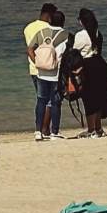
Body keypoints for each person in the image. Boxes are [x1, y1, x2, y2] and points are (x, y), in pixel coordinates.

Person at [65, 9, 107, 138]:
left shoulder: (81, 35)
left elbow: (75, 52)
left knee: (87, 97)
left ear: (82, 21)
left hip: (87, 66)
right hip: (100, 64)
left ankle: (91, 129)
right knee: (99, 96)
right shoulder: (97, 33)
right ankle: (98, 128)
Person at [27, 9, 69, 141]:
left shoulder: (41, 33)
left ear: (50, 20)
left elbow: (29, 49)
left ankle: (38, 131)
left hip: (41, 72)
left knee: (41, 101)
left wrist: (37, 62)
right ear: (63, 22)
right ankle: (54, 132)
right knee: (55, 102)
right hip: (56, 73)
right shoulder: (66, 35)